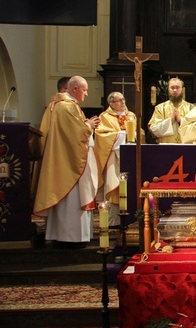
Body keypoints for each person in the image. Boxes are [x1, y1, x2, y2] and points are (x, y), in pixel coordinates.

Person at [33, 76, 101, 246]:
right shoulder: (65, 107)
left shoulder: (59, 106)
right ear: (74, 89)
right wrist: (89, 125)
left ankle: (65, 235)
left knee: (68, 199)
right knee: (71, 199)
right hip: (69, 163)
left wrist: (85, 124)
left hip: (64, 158)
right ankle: (70, 237)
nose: (86, 94)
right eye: (84, 90)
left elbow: (69, 131)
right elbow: (74, 134)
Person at [94, 92, 135, 226]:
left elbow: (139, 133)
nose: (123, 102)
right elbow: (101, 136)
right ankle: (114, 221)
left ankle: (130, 219)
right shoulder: (104, 117)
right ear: (111, 104)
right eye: (119, 101)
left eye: (123, 99)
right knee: (113, 184)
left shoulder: (131, 115)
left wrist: (133, 134)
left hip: (130, 156)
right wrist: (122, 135)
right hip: (113, 158)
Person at [148, 77, 194, 144]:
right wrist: (170, 121)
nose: (175, 90)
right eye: (172, 88)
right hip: (166, 149)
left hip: (186, 148)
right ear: (168, 89)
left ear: (183, 90)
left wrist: (181, 121)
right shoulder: (160, 108)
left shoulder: (191, 108)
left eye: (177, 87)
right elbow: (153, 130)